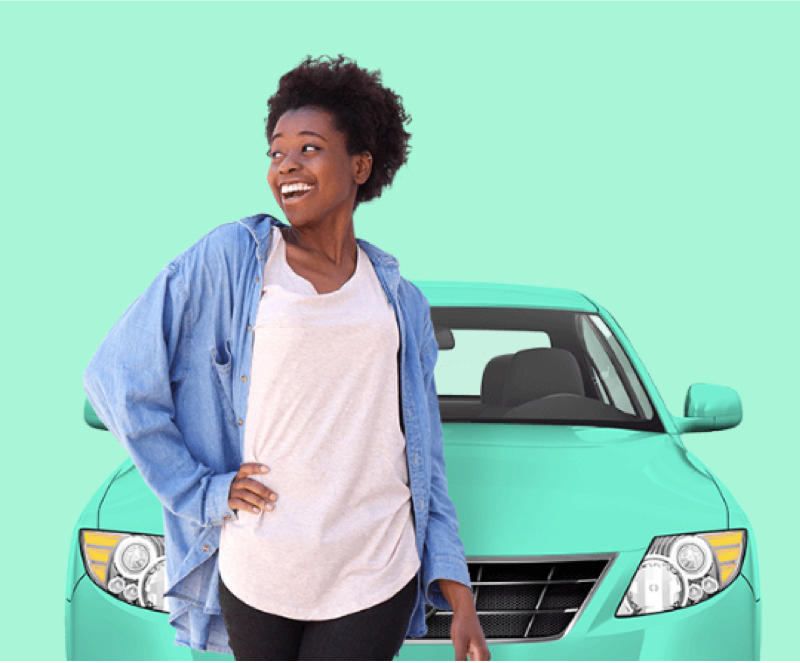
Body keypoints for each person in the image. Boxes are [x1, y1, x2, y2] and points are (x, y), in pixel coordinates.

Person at [83, 54, 490, 661]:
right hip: (260, 570)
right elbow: (114, 376)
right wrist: (199, 492)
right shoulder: (233, 261)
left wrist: (460, 599)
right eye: (276, 153)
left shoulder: (399, 301)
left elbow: (423, 456)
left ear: (360, 164)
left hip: (373, 568)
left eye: (309, 148)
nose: (287, 167)